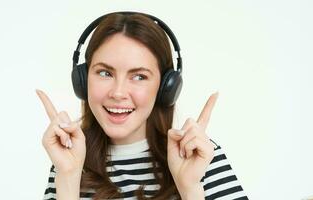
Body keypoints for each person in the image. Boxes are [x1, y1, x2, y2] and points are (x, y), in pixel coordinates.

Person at [37, 12, 247, 200]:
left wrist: (190, 189)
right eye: (105, 73)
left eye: (139, 76)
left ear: (166, 86)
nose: (118, 93)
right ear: (82, 80)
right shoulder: (68, 160)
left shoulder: (199, 155)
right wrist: (68, 179)